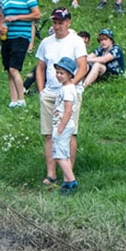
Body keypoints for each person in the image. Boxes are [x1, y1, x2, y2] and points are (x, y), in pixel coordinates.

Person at [34, 7, 86, 183]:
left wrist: (70, 86)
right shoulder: (46, 42)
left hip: (68, 94)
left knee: (69, 134)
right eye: (55, 23)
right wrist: (41, 90)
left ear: (68, 22)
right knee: (49, 133)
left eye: (60, 23)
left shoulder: (76, 41)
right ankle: (51, 174)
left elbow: (83, 67)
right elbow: (40, 67)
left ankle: (68, 175)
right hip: (49, 93)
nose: (57, 26)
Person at [0, 0, 39, 108]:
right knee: (8, 69)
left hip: (21, 35)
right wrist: (1, 27)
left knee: (14, 69)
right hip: (7, 36)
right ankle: (13, 100)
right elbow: (4, 18)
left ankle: (21, 100)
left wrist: (18, 17)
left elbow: (36, 14)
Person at [50, 57, 80, 195]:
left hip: (63, 125)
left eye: (62, 73)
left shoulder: (68, 90)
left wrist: (60, 128)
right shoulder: (65, 88)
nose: (59, 75)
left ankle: (72, 181)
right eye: (57, 72)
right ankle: (67, 181)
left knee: (59, 155)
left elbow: (68, 110)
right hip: (61, 124)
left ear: (69, 74)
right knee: (64, 154)